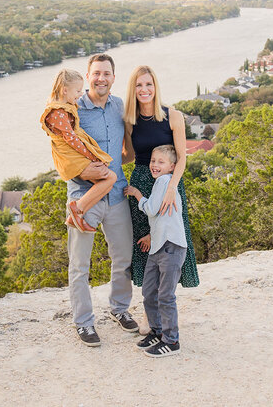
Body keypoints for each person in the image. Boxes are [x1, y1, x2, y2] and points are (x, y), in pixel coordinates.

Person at [66, 54, 139, 347]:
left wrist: (113, 169)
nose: (101, 78)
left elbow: (129, 151)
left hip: (118, 193)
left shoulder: (119, 106)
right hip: (84, 196)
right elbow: (61, 154)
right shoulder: (72, 109)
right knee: (79, 265)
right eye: (96, 73)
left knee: (123, 259)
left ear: (113, 77)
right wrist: (89, 171)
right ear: (88, 75)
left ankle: (119, 309)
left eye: (106, 74)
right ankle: (83, 323)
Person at [123, 65, 199, 292]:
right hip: (141, 185)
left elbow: (182, 158)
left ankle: (166, 299)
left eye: (148, 84)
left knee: (170, 242)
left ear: (155, 86)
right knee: (146, 245)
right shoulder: (130, 120)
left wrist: (171, 189)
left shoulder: (173, 116)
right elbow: (128, 155)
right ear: (133, 89)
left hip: (169, 184)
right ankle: (150, 308)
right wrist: (99, 160)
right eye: (139, 85)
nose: (144, 89)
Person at [124, 144, 187, 357]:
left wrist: (136, 194)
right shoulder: (161, 183)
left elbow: (151, 209)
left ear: (172, 166)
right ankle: (157, 331)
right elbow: (160, 214)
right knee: (150, 292)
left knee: (165, 295)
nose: (155, 165)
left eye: (161, 162)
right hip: (158, 246)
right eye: (153, 161)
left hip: (171, 247)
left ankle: (171, 340)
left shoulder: (164, 181)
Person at [40, 68, 116, 233]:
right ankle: (78, 208)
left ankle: (76, 215)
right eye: (78, 90)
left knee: (106, 181)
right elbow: (71, 139)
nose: (81, 94)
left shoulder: (64, 107)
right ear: (65, 90)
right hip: (72, 158)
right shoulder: (57, 112)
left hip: (74, 156)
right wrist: (93, 158)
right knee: (110, 177)